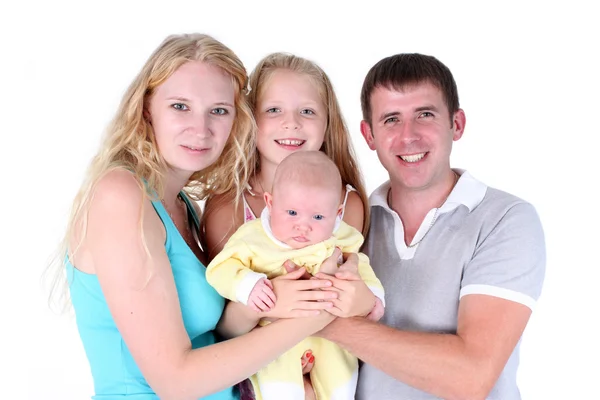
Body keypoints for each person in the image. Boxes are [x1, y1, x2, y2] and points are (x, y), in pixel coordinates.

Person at [46, 33, 342, 400]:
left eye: (218, 110)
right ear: (146, 109)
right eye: (180, 106)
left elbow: (215, 341)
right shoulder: (120, 196)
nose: (200, 129)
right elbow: (176, 382)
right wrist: (316, 313)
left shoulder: (184, 205)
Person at [314, 53, 546, 399]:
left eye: (425, 115)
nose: (409, 136)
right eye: (391, 119)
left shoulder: (505, 219)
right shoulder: (350, 223)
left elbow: (470, 376)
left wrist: (322, 320)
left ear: (457, 124)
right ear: (369, 134)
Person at [201, 52, 377, 399]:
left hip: (328, 355)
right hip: (254, 367)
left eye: (307, 111)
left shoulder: (345, 204)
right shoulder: (228, 206)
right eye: (274, 110)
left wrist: (365, 301)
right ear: (250, 121)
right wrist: (269, 302)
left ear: (328, 124)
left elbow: (345, 292)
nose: (291, 123)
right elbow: (221, 326)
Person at [206, 151, 384, 400]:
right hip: (272, 335)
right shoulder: (252, 239)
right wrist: (249, 286)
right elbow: (220, 269)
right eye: (291, 213)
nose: (303, 226)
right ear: (270, 202)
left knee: (341, 383)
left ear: (338, 212)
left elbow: (360, 265)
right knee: (279, 388)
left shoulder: (342, 237)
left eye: (319, 217)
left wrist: (374, 297)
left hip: (330, 336)